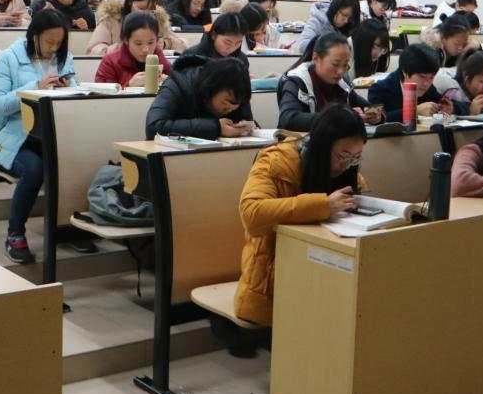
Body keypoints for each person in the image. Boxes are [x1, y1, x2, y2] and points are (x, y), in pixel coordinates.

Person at [235, 105, 367, 325]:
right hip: (271, 280)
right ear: (322, 147)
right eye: (343, 155)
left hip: (327, 272)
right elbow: (251, 214)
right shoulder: (276, 161)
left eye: (355, 158)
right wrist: (322, 205)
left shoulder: (347, 173)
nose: (346, 165)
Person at [0, 10, 76, 263]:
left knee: (77, 160)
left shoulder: (64, 58)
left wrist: (68, 88)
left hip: (50, 135)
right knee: (34, 169)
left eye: (59, 42)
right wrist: (35, 88)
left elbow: (75, 92)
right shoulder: (8, 58)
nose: (54, 48)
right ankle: (15, 233)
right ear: (34, 36)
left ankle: (68, 229)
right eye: (49, 42)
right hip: (12, 138)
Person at [278, 33, 379, 131]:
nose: (340, 72)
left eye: (345, 65)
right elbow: (289, 119)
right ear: (316, 58)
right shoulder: (297, 81)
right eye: (335, 64)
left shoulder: (342, 84)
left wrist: (376, 116)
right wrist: (340, 117)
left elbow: (367, 107)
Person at [145, 56, 256, 140]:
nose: (229, 110)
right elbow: (154, 128)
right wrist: (216, 128)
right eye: (225, 105)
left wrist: (248, 128)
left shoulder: (238, 93)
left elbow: (247, 121)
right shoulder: (176, 85)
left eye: (235, 107)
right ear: (212, 88)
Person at [87, 0, 185, 56]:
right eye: (141, 8)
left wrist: (165, 43)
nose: (145, 14)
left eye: (151, 10)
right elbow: (93, 50)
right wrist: (122, 48)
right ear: (130, 1)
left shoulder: (157, 19)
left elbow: (183, 45)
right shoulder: (112, 19)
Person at [369, 44, 451, 122]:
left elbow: (449, 103)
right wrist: (415, 111)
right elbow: (377, 118)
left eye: (431, 77)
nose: (426, 83)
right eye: (422, 76)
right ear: (405, 71)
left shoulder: (428, 89)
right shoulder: (379, 89)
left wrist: (449, 108)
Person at [95, 11, 173, 87]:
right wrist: (128, 85)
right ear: (126, 40)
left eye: (150, 43)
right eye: (138, 43)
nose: (145, 49)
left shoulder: (161, 61)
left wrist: (169, 83)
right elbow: (101, 93)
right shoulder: (110, 63)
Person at [293, 0, 361, 55]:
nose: (346, 21)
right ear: (335, 8)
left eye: (350, 18)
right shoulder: (317, 20)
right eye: (344, 15)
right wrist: (333, 46)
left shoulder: (350, 24)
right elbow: (303, 45)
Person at [437, 49, 483, 116]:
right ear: (466, 77)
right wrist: (470, 111)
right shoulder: (451, 88)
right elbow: (448, 107)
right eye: (482, 82)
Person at [179, 12, 249, 67]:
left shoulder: (241, 60)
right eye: (227, 42)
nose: (232, 49)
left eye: (238, 43)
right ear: (213, 35)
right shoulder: (191, 56)